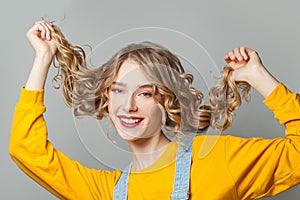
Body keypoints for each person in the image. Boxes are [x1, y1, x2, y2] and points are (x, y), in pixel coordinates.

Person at [9, 20, 300, 200]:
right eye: (118, 90)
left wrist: (257, 76)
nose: (128, 105)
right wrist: (44, 57)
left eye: (145, 92)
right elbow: (26, 151)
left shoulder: (217, 161)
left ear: (169, 102)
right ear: (107, 100)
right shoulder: (105, 192)